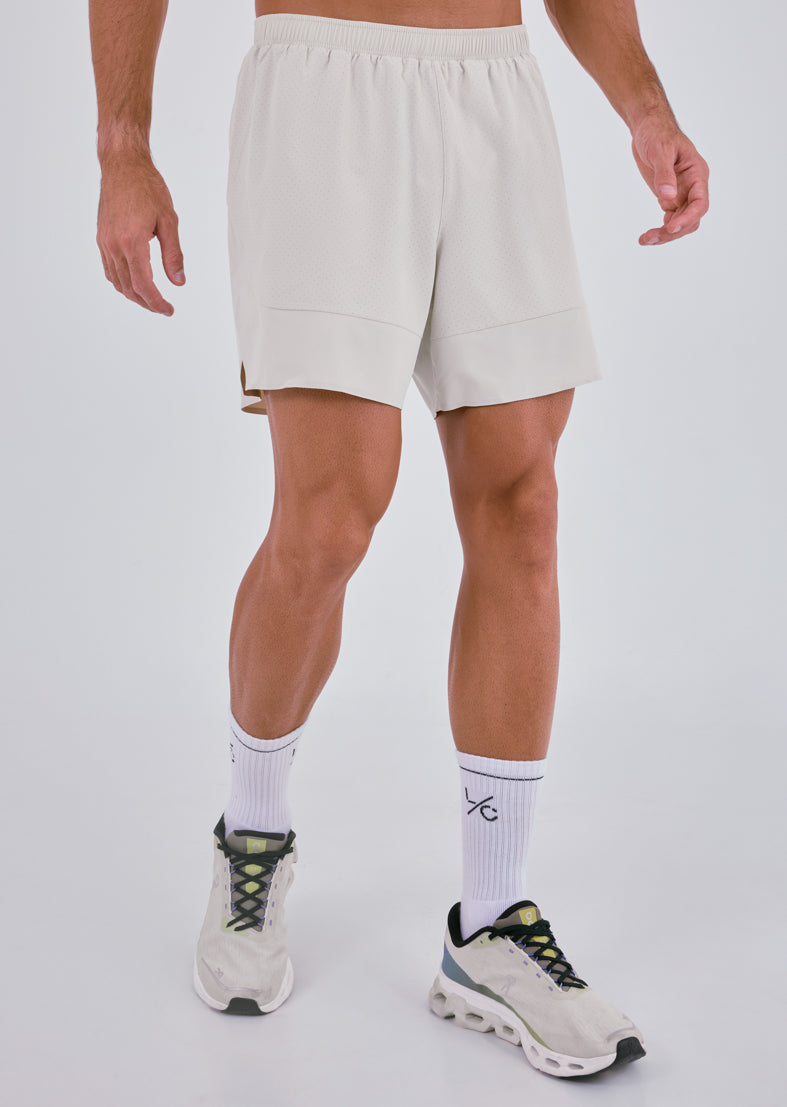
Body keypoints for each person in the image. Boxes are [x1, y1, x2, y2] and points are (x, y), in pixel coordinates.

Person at [89, 0, 709, 1079]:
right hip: (323, 89)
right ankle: (253, 834)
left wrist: (643, 107)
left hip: (494, 91)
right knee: (329, 518)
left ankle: (491, 924)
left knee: (522, 504)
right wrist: (122, 146)